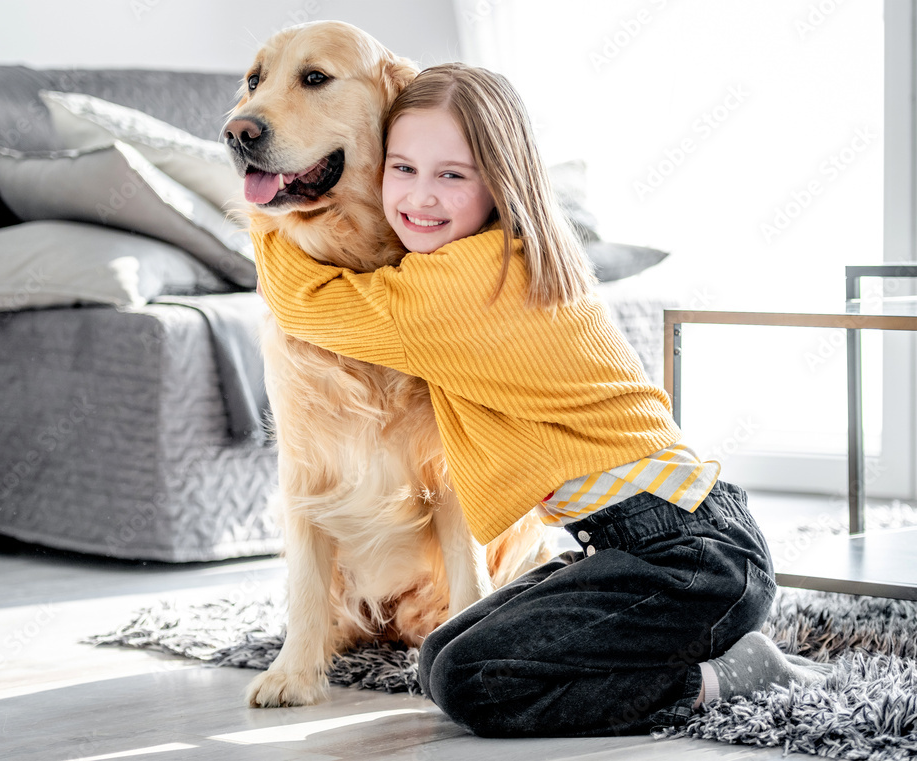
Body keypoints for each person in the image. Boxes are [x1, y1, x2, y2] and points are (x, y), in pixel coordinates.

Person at [249, 62, 831, 737]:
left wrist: (268, 198)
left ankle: (722, 677)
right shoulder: (495, 255)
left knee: (473, 679)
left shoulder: (470, 283)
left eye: (452, 175)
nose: (420, 197)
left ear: (500, 182)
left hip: (689, 554)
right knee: (441, 653)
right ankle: (695, 641)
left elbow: (304, 300)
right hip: (649, 542)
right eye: (402, 168)